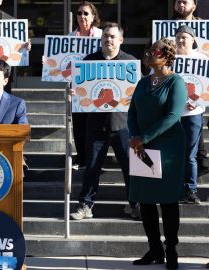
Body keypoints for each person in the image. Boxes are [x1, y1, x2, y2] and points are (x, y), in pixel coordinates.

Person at [69, 22, 139, 221]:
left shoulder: (131, 63)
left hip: (124, 125)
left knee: (130, 168)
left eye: (112, 36)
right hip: (96, 125)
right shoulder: (89, 61)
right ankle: (86, 205)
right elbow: (81, 93)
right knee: (91, 167)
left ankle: (136, 204)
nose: (108, 39)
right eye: (105, 36)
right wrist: (74, 93)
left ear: (120, 40)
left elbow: (138, 97)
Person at [128, 37, 185, 270]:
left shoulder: (175, 82)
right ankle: (154, 250)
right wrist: (135, 138)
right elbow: (132, 112)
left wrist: (145, 137)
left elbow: (172, 117)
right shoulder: (143, 83)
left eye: (153, 51)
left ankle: (171, 250)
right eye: (148, 50)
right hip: (142, 147)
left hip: (168, 147)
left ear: (166, 56)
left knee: (167, 200)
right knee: (146, 200)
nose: (148, 54)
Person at [68, 1, 102, 170]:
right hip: (77, 89)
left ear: (93, 16)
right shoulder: (69, 38)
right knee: (79, 124)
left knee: (96, 125)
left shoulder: (102, 36)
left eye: (86, 13)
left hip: (98, 88)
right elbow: (63, 65)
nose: (82, 16)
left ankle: (95, 159)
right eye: (79, 13)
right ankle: (81, 158)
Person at [175, 25, 206, 205]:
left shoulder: (201, 59)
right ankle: (174, 188)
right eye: (178, 37)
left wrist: (196, 99)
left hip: (193, 113)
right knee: (174, 153)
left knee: (189, 155)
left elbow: (206, 86)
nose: (181, 40)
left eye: (184, 37)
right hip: (172, 114)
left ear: (193, 40)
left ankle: (191, 190)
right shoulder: (169, 59)